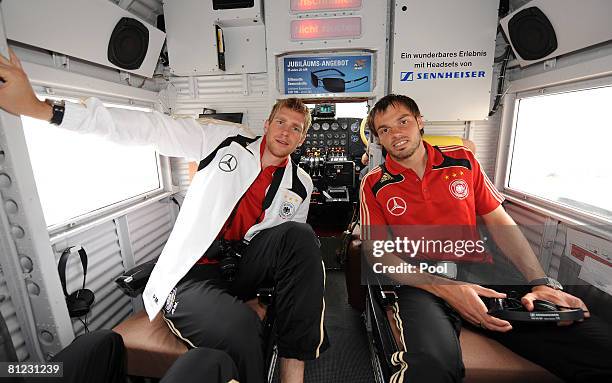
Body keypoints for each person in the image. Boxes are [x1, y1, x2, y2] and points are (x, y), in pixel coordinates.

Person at [0, 49, 327, 383]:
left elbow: (288, 257)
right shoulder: (223, 141)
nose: (286, 132)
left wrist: (261, 298)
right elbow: (151, 127)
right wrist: (45, 110)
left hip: (244, 267)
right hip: (193, 273)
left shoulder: (300, 183)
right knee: (241, 329)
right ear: (267, 124)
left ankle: (293, 365)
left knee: (302, 238)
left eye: (296, 129)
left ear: (302, 139)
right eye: (281, 122)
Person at [359, 94, 612, 382]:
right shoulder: (374, 183)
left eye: (402, 121)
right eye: (385, 130)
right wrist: (447, 289)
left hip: (480, 269)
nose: (396, 134)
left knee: (600, 348)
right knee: (431, 368)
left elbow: (500, 221)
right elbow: (377, 251)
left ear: (419, 121)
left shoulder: (463, 160)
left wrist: (540, 283)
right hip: (420, 282)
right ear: (379, 140)